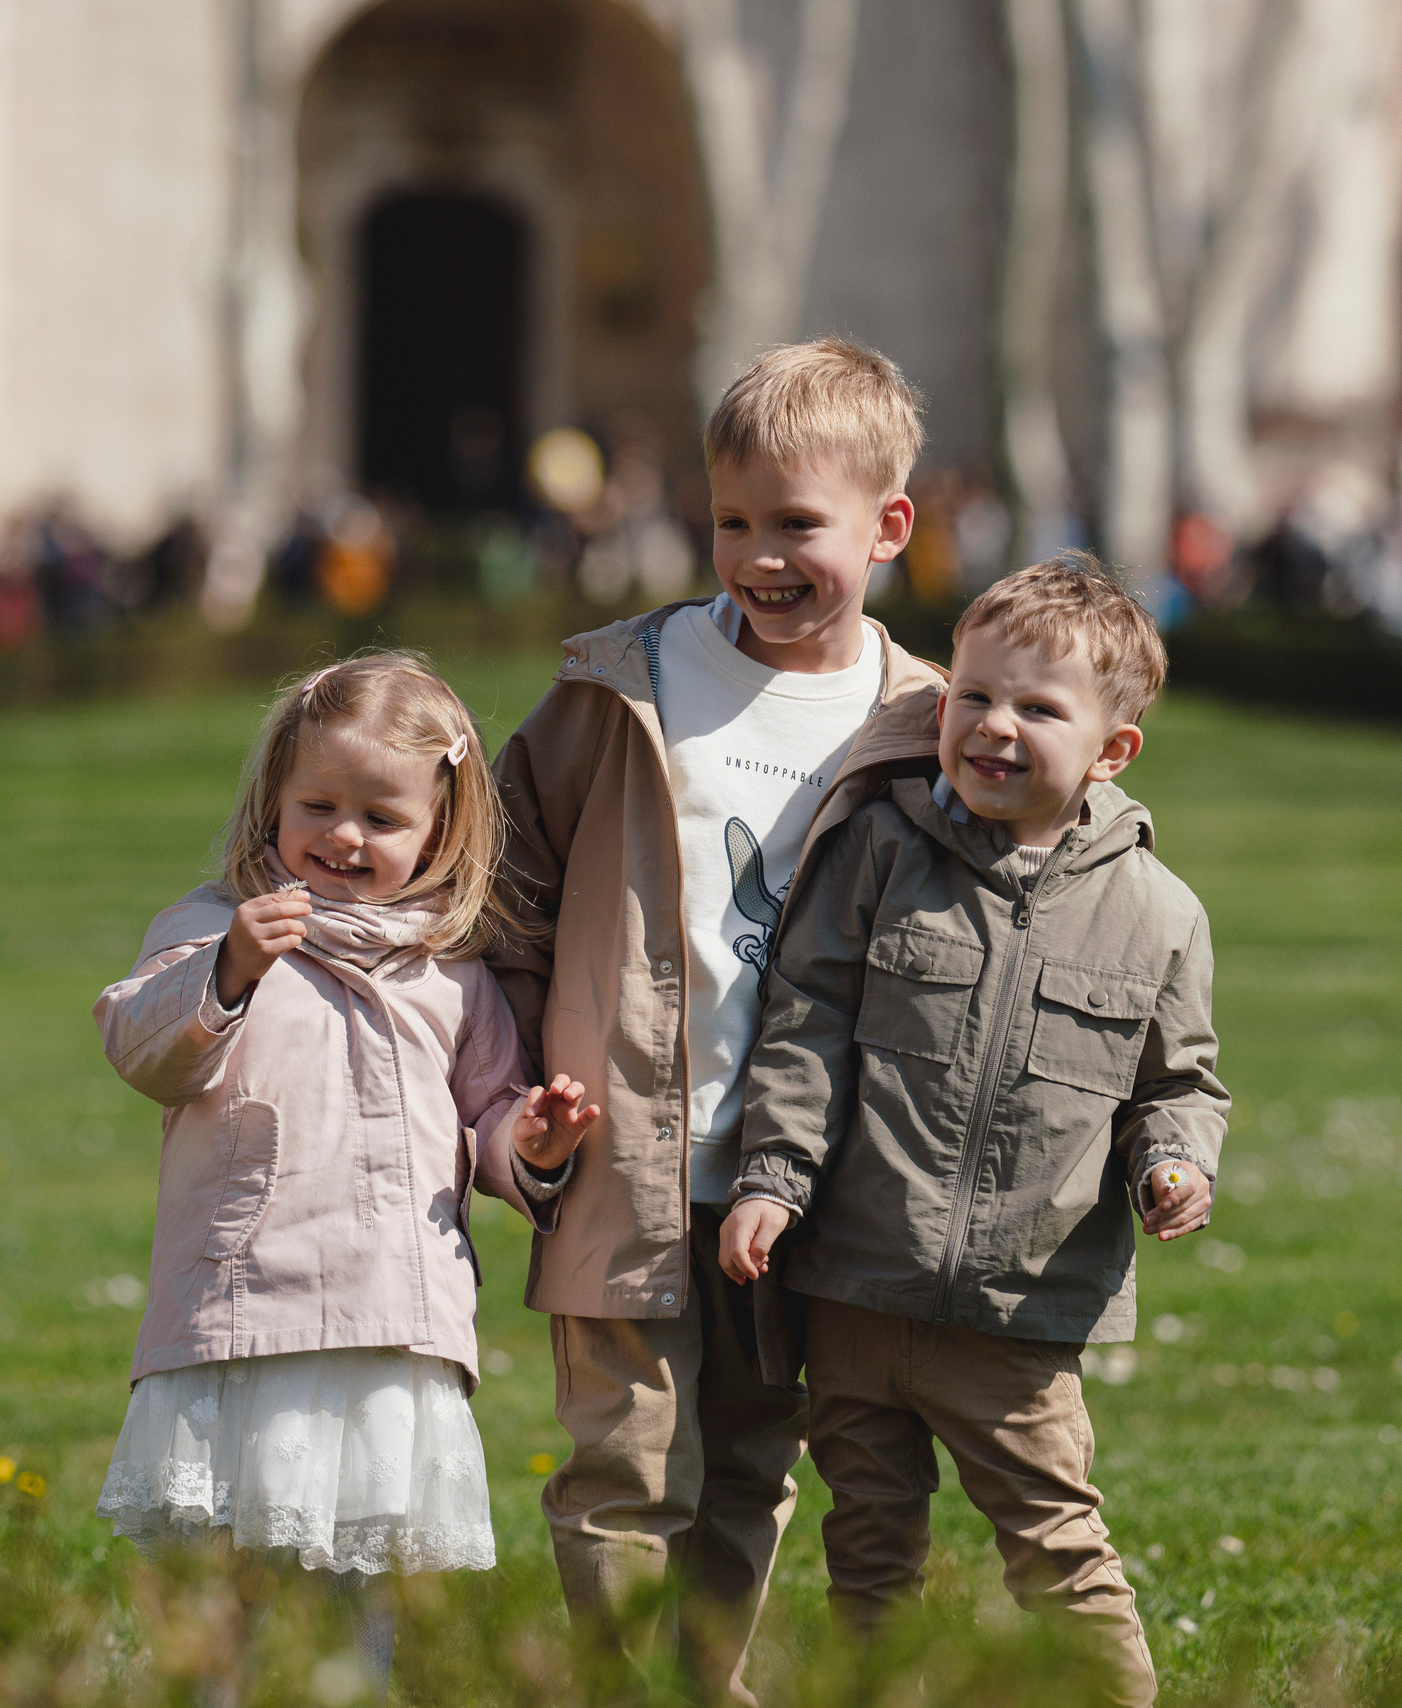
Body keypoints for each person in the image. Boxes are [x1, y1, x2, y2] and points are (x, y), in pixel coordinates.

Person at [488, 338, 941, 1700]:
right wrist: (513, 1086)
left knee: (753, 1463)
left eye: (798, 524)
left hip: (808, 1182)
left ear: (889, 525)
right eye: (730, 520)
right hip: (627, 1152)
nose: (759, 557)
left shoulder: (928, 723)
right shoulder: (621, 687)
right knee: (624, 1465)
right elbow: (507, 883)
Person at [720, 554, 1228, 1708]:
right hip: (854, 1279)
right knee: (870, 1554)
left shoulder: (1159, 915)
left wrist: (1173, 1158)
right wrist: (774, 1177)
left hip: (1017, 1316)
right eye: (973, 696)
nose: (993, 727)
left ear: (1110, 751)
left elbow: (1181, 1082)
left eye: (1037, 709)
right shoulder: (877, 856)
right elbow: (806, 1026)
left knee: (1056, 1545)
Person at [92, 652, 600, 1692]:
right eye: (316, 804)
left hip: (383, 1329)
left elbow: (489, 1111)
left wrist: (530, 1145)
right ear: (271, 803)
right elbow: (141, 1047)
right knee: (219, 1590)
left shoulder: (450, 973)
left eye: (380, 815)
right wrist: (229, 969)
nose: (342, 835)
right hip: (239, 1321)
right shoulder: (211, 926)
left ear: (439, 831)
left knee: (356, 1600)